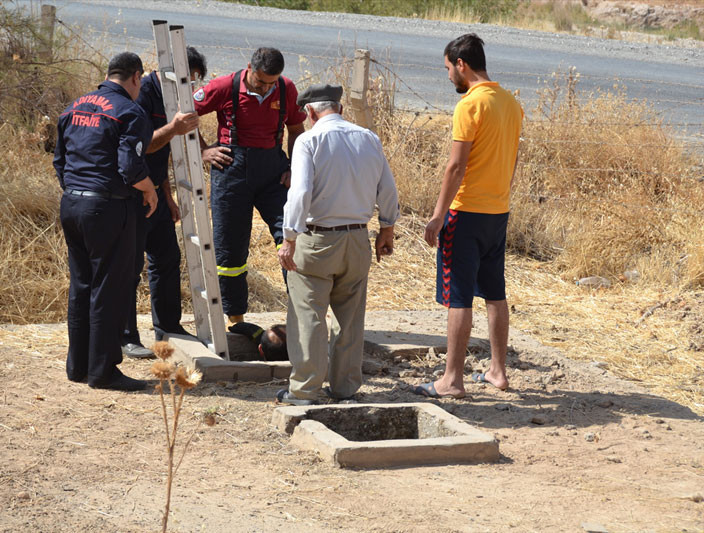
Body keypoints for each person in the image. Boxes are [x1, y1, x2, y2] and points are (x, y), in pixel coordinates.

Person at [276, 83, 400, 406]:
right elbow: (387, 188)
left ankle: (304, 389)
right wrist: (387, 228)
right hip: (358, 239)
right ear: (340, 109)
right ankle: (344, 388)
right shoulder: (368, 138)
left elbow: (300, 192)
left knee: (308, 314)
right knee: (350, 317)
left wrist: (289, 237)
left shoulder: (308, 140)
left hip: (317, 240)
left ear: (310, 113)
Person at [415, 34, 523, 399]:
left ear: (461, 64)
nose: (448, 76)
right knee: (495, 292)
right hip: (497, 211)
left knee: (458, 297)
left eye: (448, 68)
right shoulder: (510, 102)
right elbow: (513, 159)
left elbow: (455, 166)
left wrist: (437, 215)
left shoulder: (470, 106)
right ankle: (497, 370)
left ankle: (452, 380)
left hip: (465, 213)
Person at [53, 52, 157, 391]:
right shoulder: (130, 111)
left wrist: (77, 191)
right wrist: (150, 189)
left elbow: (60, 161)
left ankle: (78, 366)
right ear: (136, 78)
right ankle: (104, 372)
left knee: (81, 286)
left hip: (72, 205)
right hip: (108, 208)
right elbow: (130, 167)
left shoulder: (74, 106)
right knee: (109, 289)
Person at [192, 47, 307, 328]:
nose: (266, 87)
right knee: (230, 249)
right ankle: (236, 320)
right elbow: (185, 116)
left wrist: (294, 167)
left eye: (272, 82)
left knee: (293, 238)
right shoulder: (224, 86)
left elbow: (295, 130)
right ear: (249, 69)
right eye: (260, 82)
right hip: (231, 172)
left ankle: (301, 318)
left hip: (273, 174)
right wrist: (204, 151)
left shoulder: (286, 88)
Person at [121, 47, 207, 359]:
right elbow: (141, 148)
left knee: (167, 257)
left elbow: (164, 155)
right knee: (129, 266)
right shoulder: (141, 94)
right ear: (171, 74)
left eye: (195, 83)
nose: (191, 88)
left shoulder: (176, 98)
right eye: (189, 81)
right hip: (132, 193)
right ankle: (126, 336)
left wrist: (168, 196)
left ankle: (168, 327)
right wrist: (173, 128)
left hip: (156, 192)